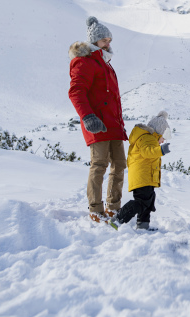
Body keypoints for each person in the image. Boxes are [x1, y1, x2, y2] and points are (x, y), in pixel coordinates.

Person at [68, 16, 127, 221]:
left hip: (114, 124)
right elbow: (76, 92)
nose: (108, 43)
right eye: (104, 40)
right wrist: (88, 116)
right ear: (95, 41)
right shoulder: (85, 62)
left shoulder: (106, 63)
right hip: (98, 124)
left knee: (119, 164)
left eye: (109, 40)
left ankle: (113, 207)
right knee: (99, 165)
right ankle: (95, 209)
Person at [109, 111, 172, 231]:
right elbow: (147, 152)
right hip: (142, 177)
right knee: (142, 202)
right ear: (158, 132)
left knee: (148, 201)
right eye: (163, 137)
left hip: (147, 177)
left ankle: (143, 225)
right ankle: (118, 219)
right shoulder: (146, 138)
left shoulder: (149, 138)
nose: (163, 141)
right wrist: (161, 151)